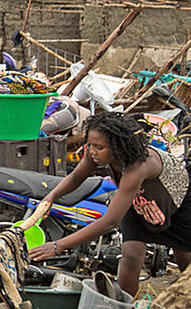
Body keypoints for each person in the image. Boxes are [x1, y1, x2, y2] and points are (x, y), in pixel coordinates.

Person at [29, 111, 191, 295]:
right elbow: (76, 177)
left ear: (118, 147)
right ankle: (124, 303)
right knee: (130, 255)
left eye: (99, 147)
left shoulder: (138, 166)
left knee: (184, 256)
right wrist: (50, 198)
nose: (92, 151)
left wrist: (58, 246)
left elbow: (110, 222)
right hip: (138, 201)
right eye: (89, 144)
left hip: (176, 200)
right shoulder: (94, 154)